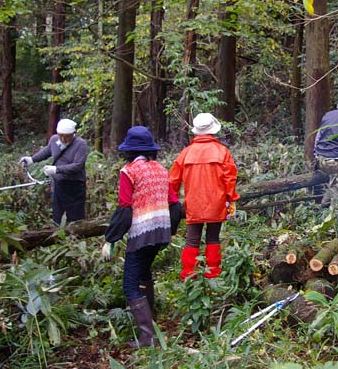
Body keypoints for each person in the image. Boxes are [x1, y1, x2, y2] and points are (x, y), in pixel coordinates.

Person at [101, 126, 180, 348]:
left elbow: (125, 208)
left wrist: (111, 239)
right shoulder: (161, 169)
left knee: (129, 284)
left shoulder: (128, 171)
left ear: (129, 151)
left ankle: (148, 337)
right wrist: (168, 230)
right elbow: (175, 204)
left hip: (142, 233)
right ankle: (150, 326)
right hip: (161, 232)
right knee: (144, 273)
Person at [170, 113, 240, 281]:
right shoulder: (222, 152)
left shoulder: (186, 153)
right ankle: (213, 273)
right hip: (217, 203)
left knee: (192, 240)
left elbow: (172, 180)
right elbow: (230, 178)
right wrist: (231, 199)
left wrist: (171, 202)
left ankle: (189, 275)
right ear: (212, 130)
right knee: (213, 237)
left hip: (192, 204)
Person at [19, 118, 88, 224]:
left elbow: (78, 166)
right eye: (61, 135)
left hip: (75, 185)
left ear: (73, 133)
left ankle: (76, 237)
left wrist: (57, 169)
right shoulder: (54, 139)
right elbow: (47, 151)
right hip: (58, 184)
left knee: (75, 217)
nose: (63, 139)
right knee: (58, 215)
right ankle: (59, 236)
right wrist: (31, 160)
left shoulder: (80, 144)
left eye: (67, 136)